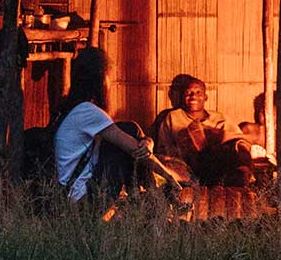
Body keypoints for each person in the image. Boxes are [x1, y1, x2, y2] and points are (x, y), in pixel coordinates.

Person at [53, 47, 180, 204]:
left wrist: (148, 141)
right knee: (128, 134)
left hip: (75, 193)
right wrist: (169, 177)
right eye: (109, 76)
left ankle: (144, 194)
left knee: (128, 128)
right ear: (100, 79)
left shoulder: (73, 107)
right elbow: (133, 147)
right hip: (83, 200)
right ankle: (149, 196)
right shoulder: (88, 111)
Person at [152, 75, 256, 187]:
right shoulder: (173, 117)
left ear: (205, 97)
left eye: (198, 93)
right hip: (189, 166)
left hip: (219, 163)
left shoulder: (219, 118)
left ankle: (243, 174)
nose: (193, 97)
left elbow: (240, 140)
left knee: (238, 145)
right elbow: (163, 149)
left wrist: (217, 136)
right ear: (182, 96)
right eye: (189, 93)